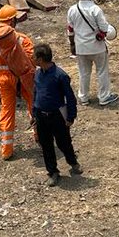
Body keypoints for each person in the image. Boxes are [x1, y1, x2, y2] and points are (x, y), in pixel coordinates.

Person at [0, 11, 35, 160]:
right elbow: (31, 59)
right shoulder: (22, 39)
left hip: (3, 79)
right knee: (33, 104)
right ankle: (39, 135)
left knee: (7, 110)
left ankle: (6, 149)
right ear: (12, 20)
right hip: (22, 78)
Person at [32, 43, 82, 187]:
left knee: (64, 142)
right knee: (46, 145)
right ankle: (53, 172)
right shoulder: (37, 73)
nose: (32, 58)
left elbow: (70, 97)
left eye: (34, 56)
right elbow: (36, 94)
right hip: (41, 116)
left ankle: (73, 162)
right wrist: (34, 114)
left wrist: (70, 117)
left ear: (41, 59)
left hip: (57, 116)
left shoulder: (60, 76)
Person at [66, 0, 117, 106]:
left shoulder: (72, 10)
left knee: (83, 73)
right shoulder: (95, 9)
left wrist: (72, 45)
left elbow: (70, 30)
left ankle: (83, 97)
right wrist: (103, 34)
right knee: (102, 72)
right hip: (97, 47)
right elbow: (104, 28)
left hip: (81, 48)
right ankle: (104, 97)